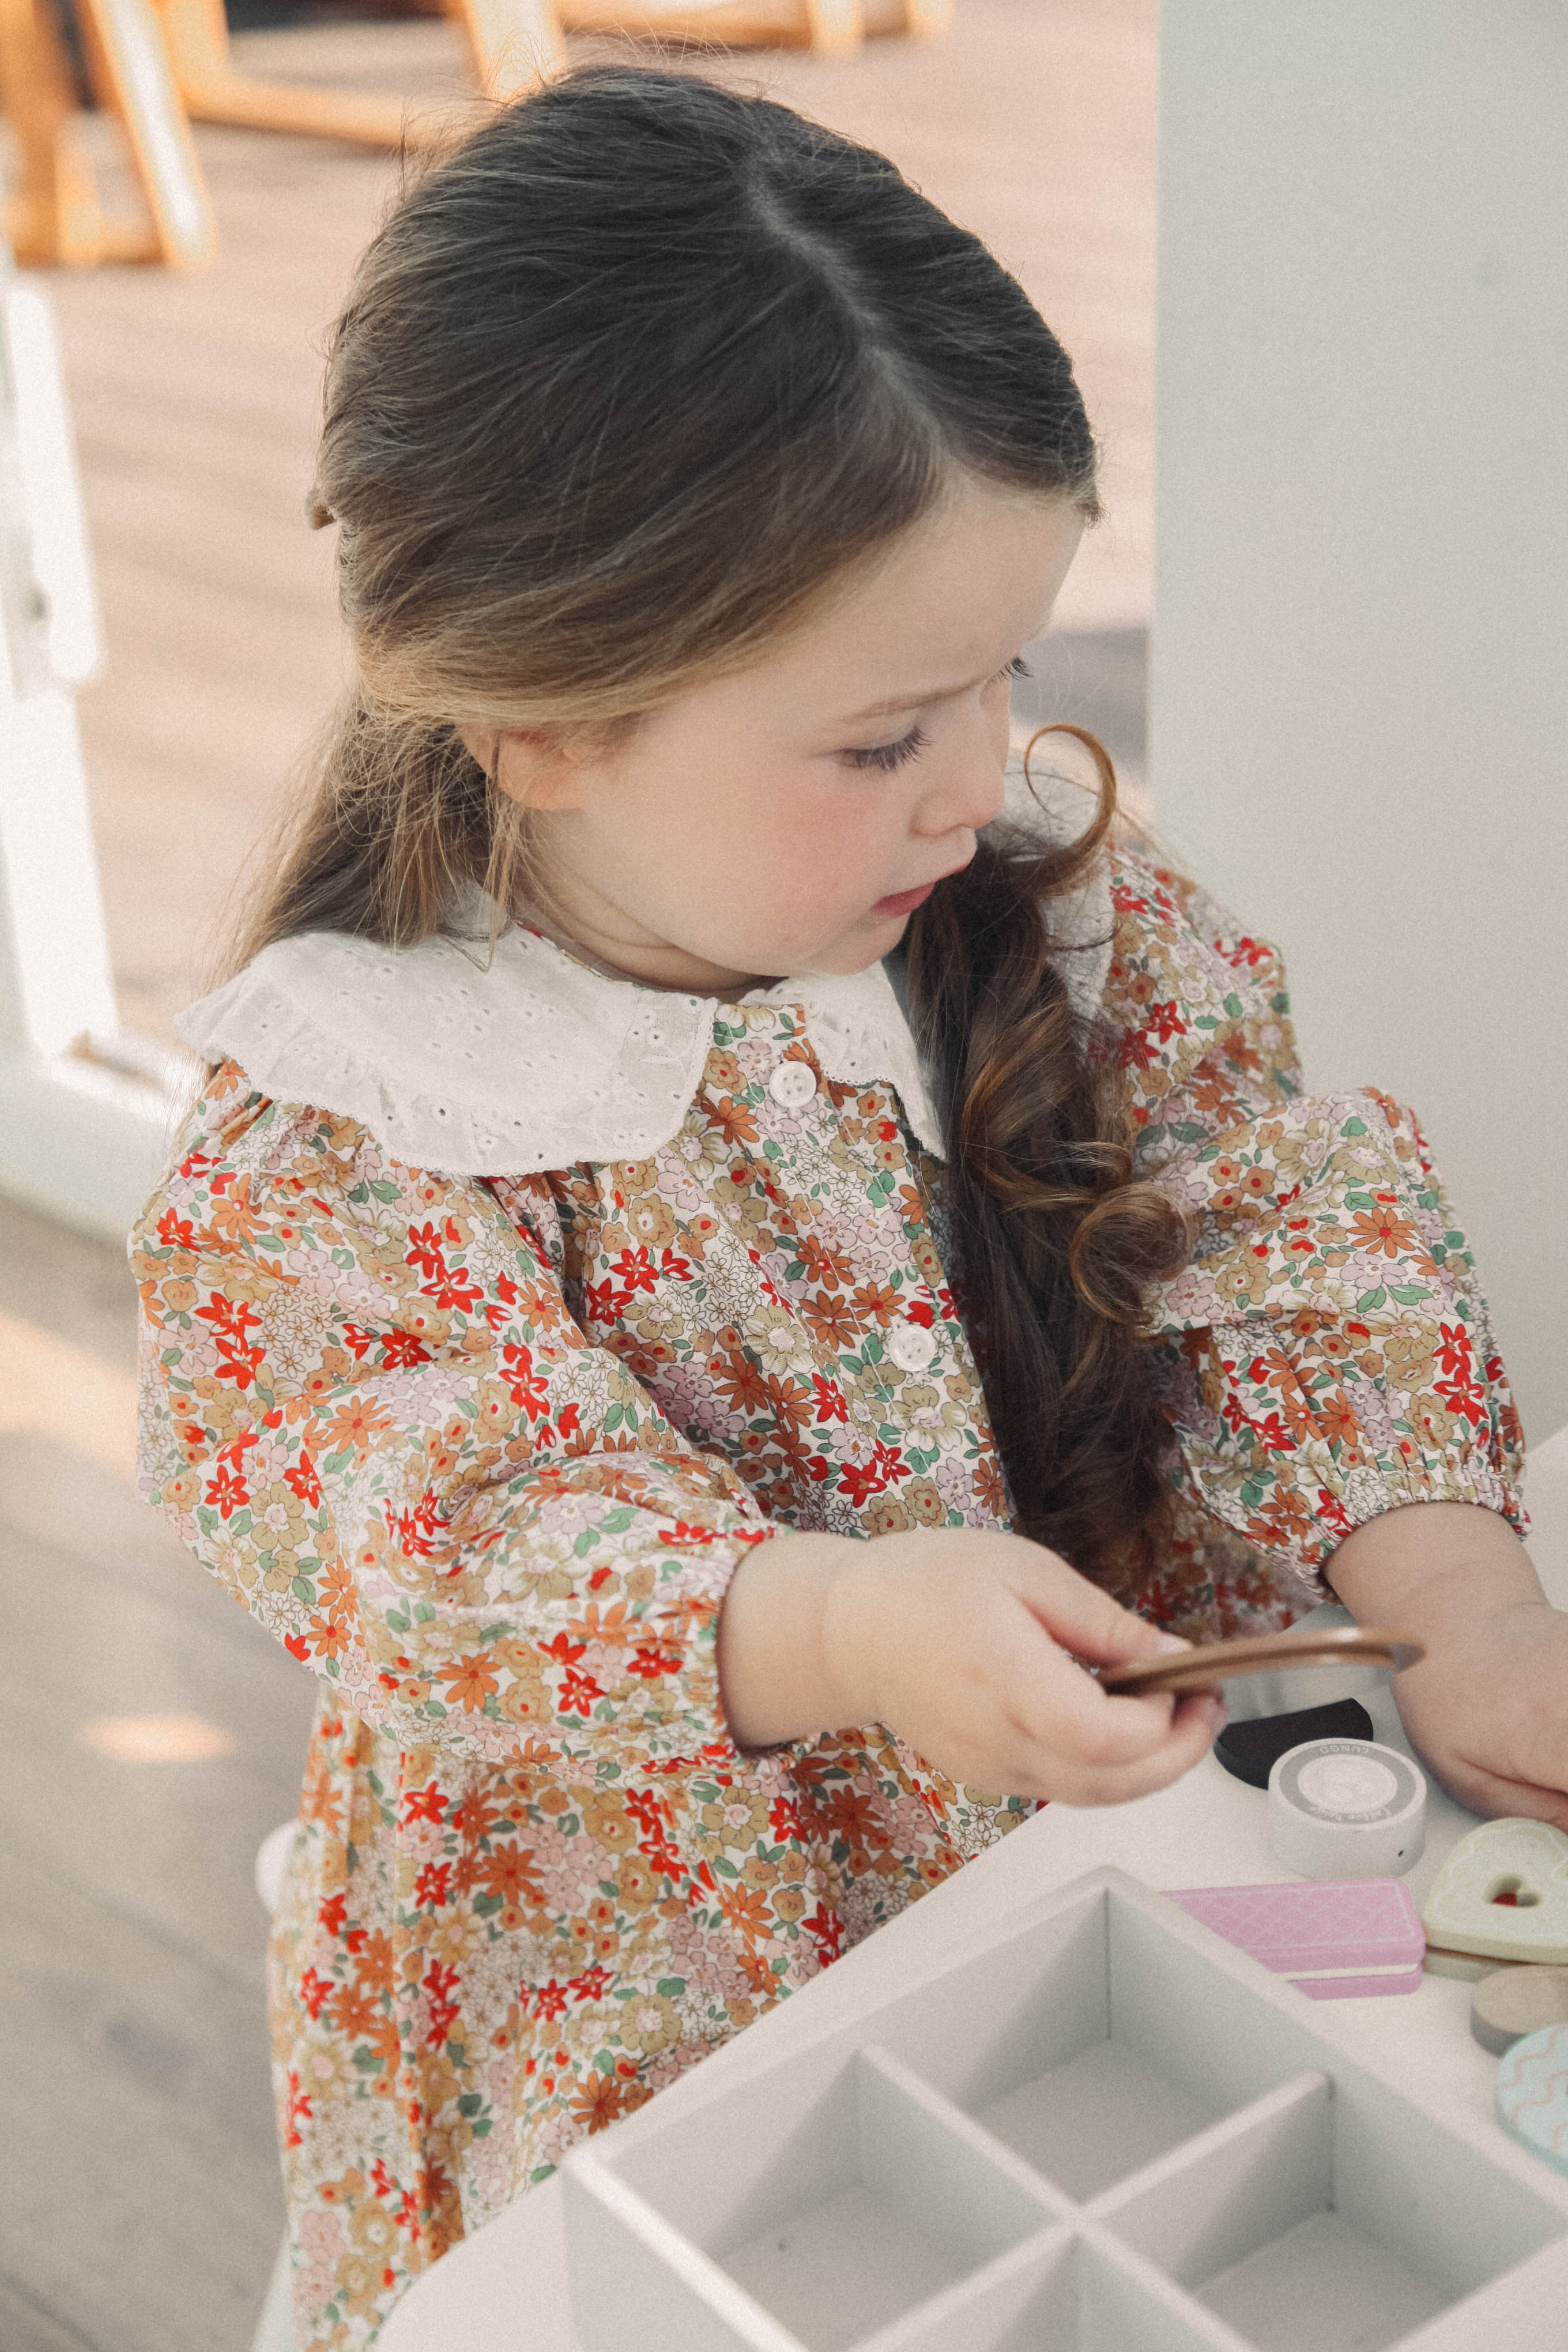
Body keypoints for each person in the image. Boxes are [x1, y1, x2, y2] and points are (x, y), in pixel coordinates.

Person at [130, 65, 1565, 2350]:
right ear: (533, 716)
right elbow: (458, 1561)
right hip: (680, 2062)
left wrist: (1464, 1603)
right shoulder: (351, 1148)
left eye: (999, 675)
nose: (984, 778)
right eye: (880, 733)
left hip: (1109, 1924)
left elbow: (1286, 1244)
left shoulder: (1037, 907)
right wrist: (840, 1628)